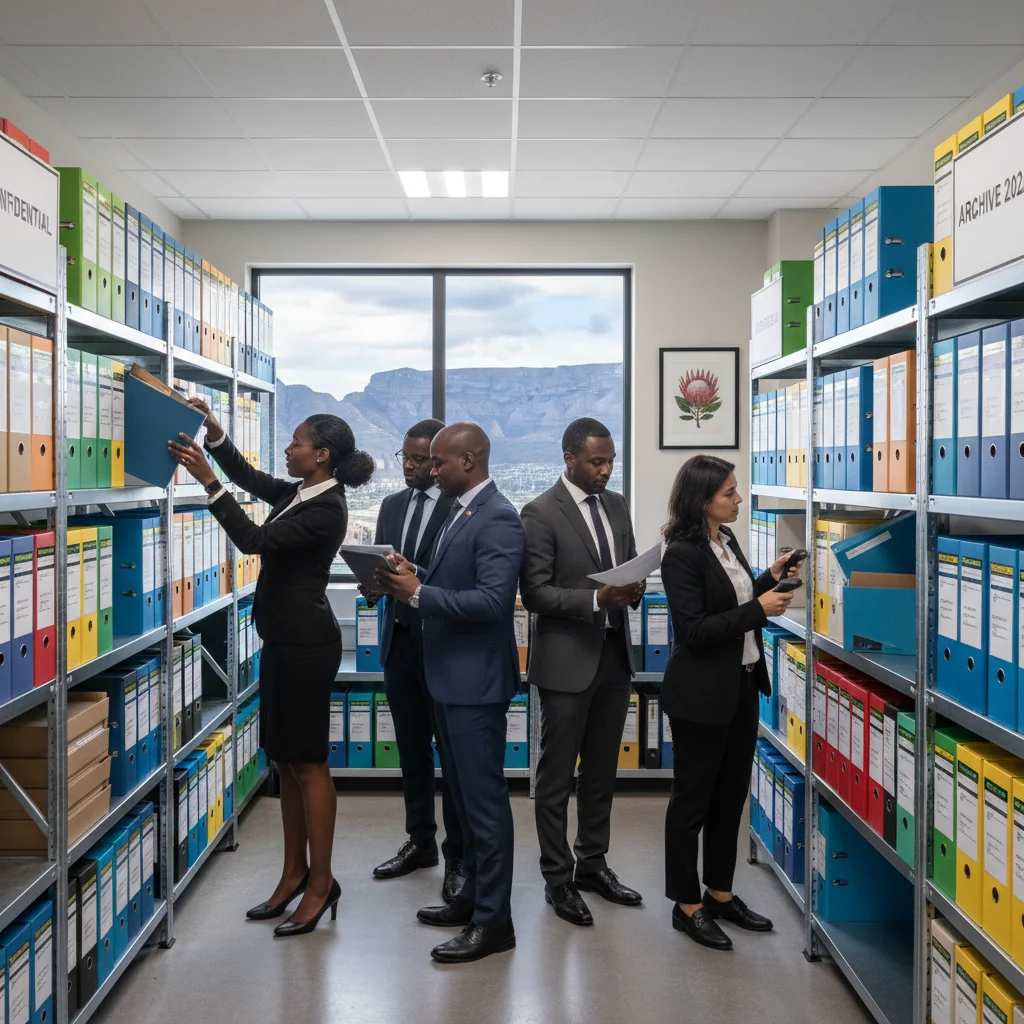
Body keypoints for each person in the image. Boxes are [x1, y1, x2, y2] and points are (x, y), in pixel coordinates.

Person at [169, 406, 374, 938]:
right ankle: (293, 874)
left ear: (322, 454)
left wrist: (208, 483)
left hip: (308, 647)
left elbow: (253, 541)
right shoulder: (299, 493)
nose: (288, 449)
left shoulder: (327, 509)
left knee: (309, 765)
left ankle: (322, 881)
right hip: (283, 642)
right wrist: (217, 437)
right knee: (284, 761)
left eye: (297, 443)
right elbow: (248, 477)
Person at [373, 423, 525, 964]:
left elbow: (491, 603)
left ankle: (495, 923)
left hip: (474, 684)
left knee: (484, 806)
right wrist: (416, 576)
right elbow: (453, 580)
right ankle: (473, 900)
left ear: (470, 459)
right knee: (462, 797)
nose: (432, 471)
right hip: (449, 678)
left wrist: (420, 594)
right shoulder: (464, 510)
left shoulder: (500, 517)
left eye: (440, 463)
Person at [659, 454, 802, 951]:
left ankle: (719, 893)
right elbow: (695, 631)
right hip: (700, 694)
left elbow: (733, 602)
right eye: (729, 493)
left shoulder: (727, 540)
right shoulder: (680, 553)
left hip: (742, 686)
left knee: (731, 797)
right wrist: (757, 609)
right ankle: (687, 904)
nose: (738, 499)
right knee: (691, 803)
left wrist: (767, 577)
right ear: (703, 501)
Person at [519, 418, 645, 926]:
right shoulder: (540, 512)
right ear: (569, 457)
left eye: (611, 461)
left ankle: (593, 863)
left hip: (614, 656)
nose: (606, 470)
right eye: (597, 461)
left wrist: (632, 585)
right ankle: (557, 877)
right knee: (555, 778)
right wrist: (598, 598)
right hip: (566, 662)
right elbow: (536, 594)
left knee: (601, 773)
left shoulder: (616, 505)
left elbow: (629, 563)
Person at [362, 419, 466, 903]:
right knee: (412, 750)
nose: (408, 465)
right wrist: (371, 585)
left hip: (444, 644)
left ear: (439, 460)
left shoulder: (460, 508)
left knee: (454, 756)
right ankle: (420, 841)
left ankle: (458, 855)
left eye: (420, 458)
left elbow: (460, 582)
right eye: (404, 455)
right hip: (401, 642)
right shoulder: (392, 504)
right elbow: (385, 570)